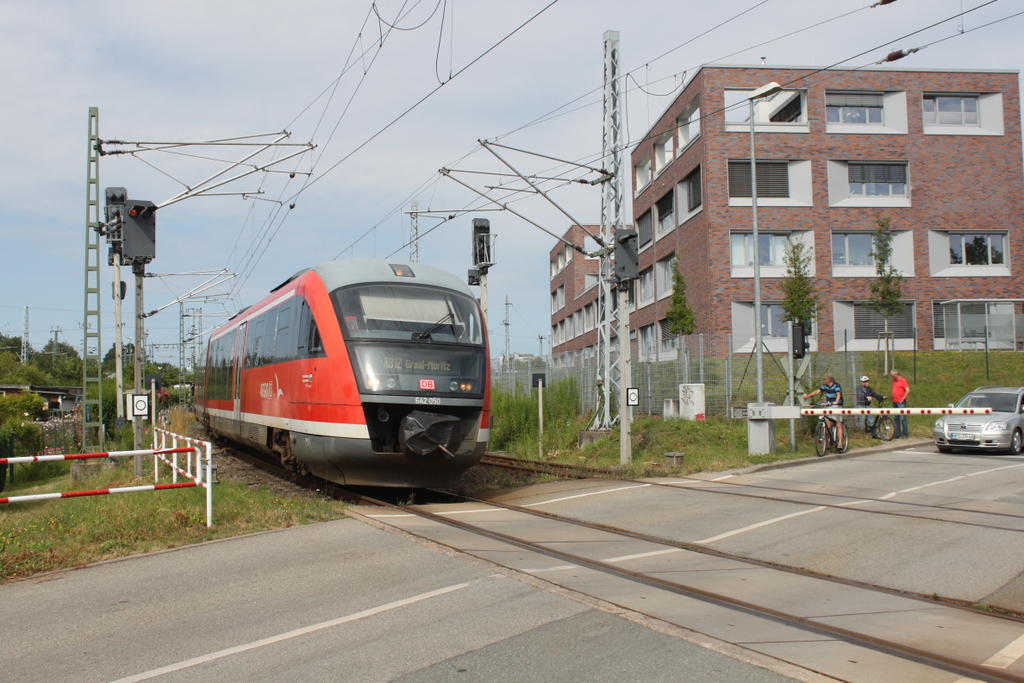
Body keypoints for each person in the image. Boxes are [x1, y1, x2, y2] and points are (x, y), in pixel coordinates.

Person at [804, 372, 845, 448]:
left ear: (829, 379)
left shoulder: (836, 385)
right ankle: (827, 443)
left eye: (824, 379)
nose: (823, 380)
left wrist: (836, 401)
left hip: (837, 406)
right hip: (829, 406)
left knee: (839, 424)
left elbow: (839, 394)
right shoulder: (825, 386)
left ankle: (840, 443)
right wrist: (808, 396)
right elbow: (817, 391)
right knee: (827, 424)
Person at [890, 369, 911, 439]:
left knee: (903, 418)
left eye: (893, 376)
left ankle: (905, 434)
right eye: (892, 376)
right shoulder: (893, 381)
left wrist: (903, 398)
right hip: (895, 401)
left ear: (897, 375)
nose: (892, 378)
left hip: (900, 402)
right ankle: (897, 433)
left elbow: (907, 390)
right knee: (896, 418)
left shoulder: (902, 380)